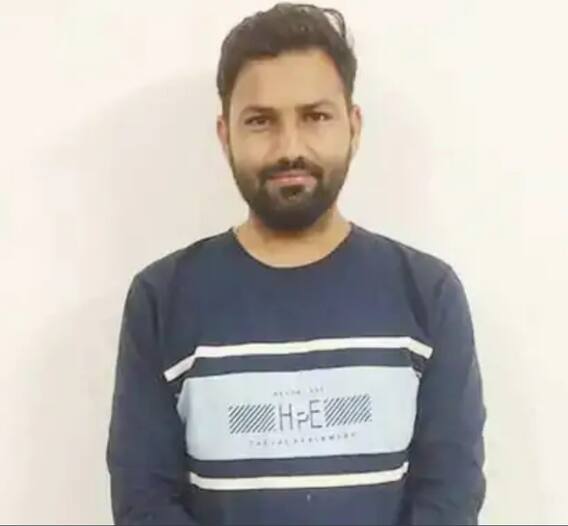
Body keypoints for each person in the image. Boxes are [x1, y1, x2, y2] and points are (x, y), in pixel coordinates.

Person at [106, 3, 486, 525]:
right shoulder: (162, 299)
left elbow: (450, 497)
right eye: (261, 121)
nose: (290, 148)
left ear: (353, 126)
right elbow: (144, 503)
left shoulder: (427, 293)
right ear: (225, 135)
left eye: (316, 117)